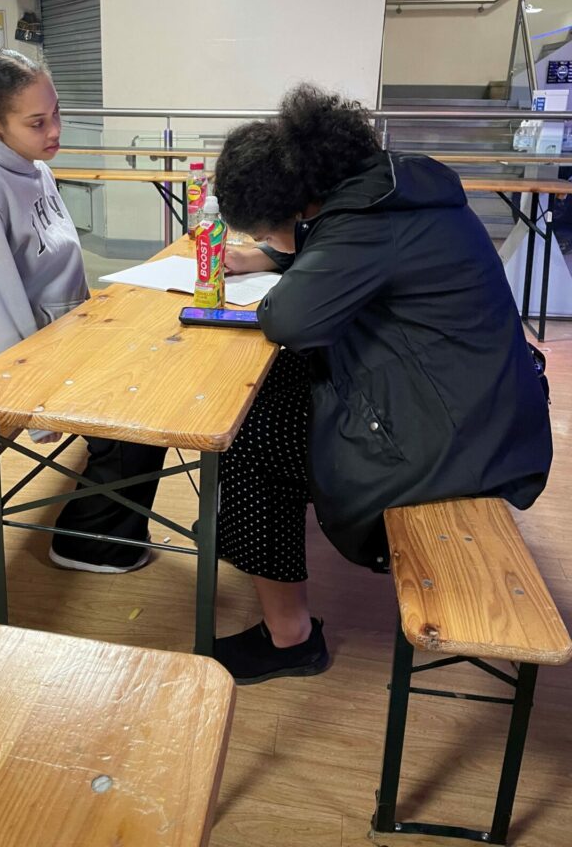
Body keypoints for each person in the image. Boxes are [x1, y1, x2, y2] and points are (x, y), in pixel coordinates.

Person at [210, 83, 553, 684]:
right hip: (483, 409)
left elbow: (289, 319)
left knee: (253, 437)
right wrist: (279, 258)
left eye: (268, 231)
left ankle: (289, 638)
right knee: (281, 392)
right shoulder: (394, 191)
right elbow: (356, 259)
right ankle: (263, 566)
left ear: (300, 209)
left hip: (455, 445)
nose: (266, 242)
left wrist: (285, 270)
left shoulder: (364, 224)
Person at [0, 49, 166, 573]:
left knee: (152, 385)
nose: (55, 130)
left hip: (58, 346)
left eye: (56, 112)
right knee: (135, 420)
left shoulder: (32, 166)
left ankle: (110, 529)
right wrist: (31, 408)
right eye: (37, 122)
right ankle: (88, 542)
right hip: (7, 369)